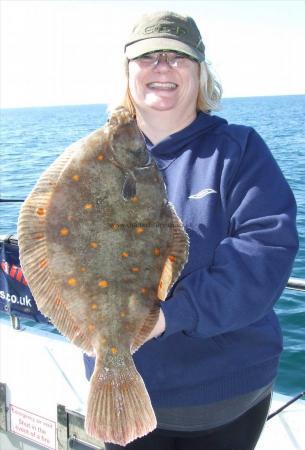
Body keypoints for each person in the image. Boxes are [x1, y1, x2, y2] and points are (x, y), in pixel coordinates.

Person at [84, 10, 299, 450]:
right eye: (148, 57)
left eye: (178, 56)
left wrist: (166, 317)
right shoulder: (93, 160)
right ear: (128, 73)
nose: (162, 66)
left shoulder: (239, 150)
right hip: (119, 391)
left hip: (224, 396)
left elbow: (265, 253)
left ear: (200, 73)